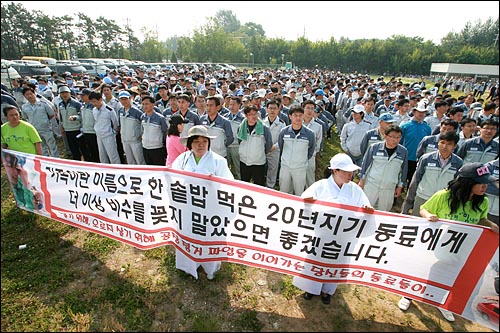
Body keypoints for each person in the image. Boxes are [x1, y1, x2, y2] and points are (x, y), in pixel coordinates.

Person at [399, 162, 499, 321]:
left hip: (461, 249)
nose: (485, 186)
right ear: (468, 182)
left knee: (449, 277)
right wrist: (429, 216)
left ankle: (440, 302)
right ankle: (409, 295)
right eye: (481, 182)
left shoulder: (483, 201)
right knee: (425, 271)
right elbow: (423, 209)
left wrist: (490, 225)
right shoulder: (443, 196)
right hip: (436, 246)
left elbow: (481, 219)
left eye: (487, 182)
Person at [293, 153, 374, 304]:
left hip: (343, 236)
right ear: (335, 171)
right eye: (345, 171)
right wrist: (308, 202)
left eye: (351, 172)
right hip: (322, 233)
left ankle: (327, 290)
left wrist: (367, 210)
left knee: (336, 261)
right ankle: (310, 288)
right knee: (315, 259)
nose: (350, 175)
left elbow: (365, 206)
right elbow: (305, 201)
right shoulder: (321, 185)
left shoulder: (355, 190)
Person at [171, 125, 234, 280]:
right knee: (188, 234)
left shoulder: (219, 161)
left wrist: (216, 184)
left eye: (204, 141)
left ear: (209, 143)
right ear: (190, 144)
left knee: (209, 236)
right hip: (187, 209)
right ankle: (188, 266)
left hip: (210, 211)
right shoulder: (182, 159)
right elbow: (172, 179)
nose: (200, 145)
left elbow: (230, 185)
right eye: (196, 141)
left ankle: (210, 268)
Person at [401, 131, 463, 216]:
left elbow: (456, 185)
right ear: (438, 143)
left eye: (449, 144)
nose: (444, 146)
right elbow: (416, 180)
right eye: (442, 142)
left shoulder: (458, 162)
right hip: (423, 197)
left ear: (455, 146)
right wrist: (407, 204)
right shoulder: (426, 158)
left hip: (443, 201)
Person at [358, 124, 408, 212]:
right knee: (365, 210)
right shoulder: (374, 148)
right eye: (392, 137)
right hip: (371, 185)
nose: (395, 140)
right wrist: (361, 180)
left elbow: (403, 171)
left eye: (398, 137)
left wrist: (400, 187)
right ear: (385, 136)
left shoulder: (403, 152)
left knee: (383, 213)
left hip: (388, 188)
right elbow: (365, 165)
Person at [237, 105, 273, 186]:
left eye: (255, 114)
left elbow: (269, 144)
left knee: (259, 185)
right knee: (245, 184)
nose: (254, 116)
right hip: (244, 161)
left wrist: (260, 153)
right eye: (251, 114)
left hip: (258, 162)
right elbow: (240, 141)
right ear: (246, 115)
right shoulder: (241, 127)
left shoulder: (264, 128)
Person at [88, 91, 121, 164]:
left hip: (108, 135)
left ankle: (117, 170)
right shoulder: (94, 110)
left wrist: (114, 132)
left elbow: (115, 124)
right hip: (99, 135)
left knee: (113, 156)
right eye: (92, 102)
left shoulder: (109, 110)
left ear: (100, 99)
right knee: (102, 156)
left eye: (95, 101)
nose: (94, 104)